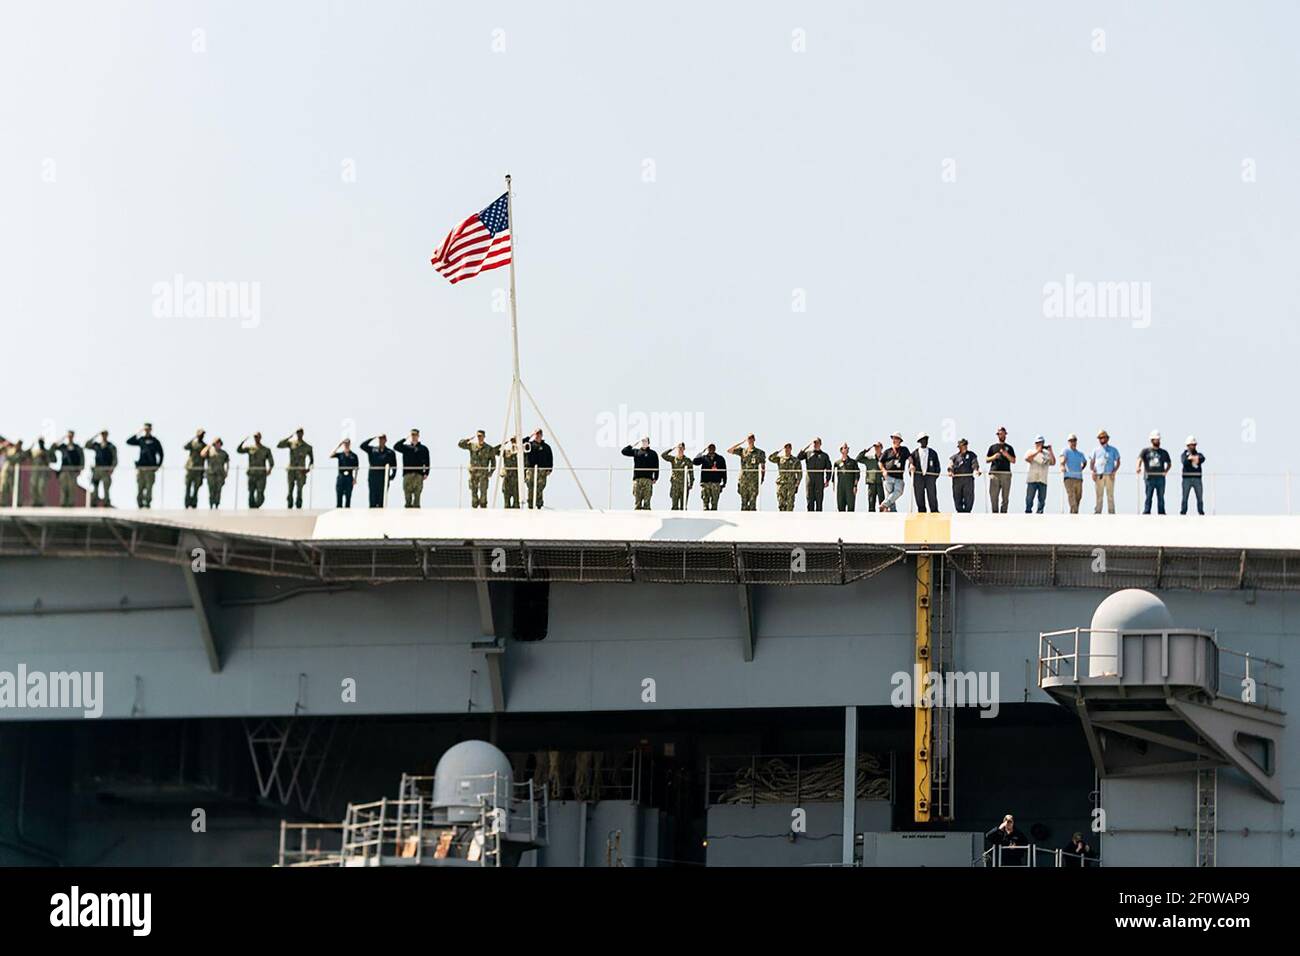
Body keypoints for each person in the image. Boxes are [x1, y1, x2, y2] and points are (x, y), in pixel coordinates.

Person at [457, 431, 499, 509]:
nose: (479, 437)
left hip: (483, 474)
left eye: (481, 436)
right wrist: (468, 439)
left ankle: (483, 508)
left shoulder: (489, 448)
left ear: (484, 436)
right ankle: (474, 508)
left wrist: (491, 472)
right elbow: (460, 445)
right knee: (474, 492)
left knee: (483, 493)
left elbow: (493, 462)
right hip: (473, 473)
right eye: (478, 436)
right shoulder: (472, 446)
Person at [126, 423, 164, 509]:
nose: (147, 431)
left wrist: (158, 465)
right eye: (145, 429)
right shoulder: (141, 440)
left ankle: (147, 504)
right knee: (140, 487)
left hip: (150, 468)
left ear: (151, 429)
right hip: (141, 468)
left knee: (149, 487)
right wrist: (139, 432)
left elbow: (161, 453)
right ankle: (140, 503)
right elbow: (129, 442)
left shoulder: (155, 441)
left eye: (148, 429)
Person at [393, 429, 431, 508]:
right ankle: (407, 514)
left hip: (418, 475)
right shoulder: (405, 447)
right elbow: (396, 446)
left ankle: (416, 514)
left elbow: (427, 461)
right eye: (412, 435)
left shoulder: (423, 448)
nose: (414, 436)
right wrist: (405, 439)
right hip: (407, 474)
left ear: (418, 436)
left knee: (417, 497)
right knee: (407, 496)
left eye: (415, 435)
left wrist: (426, 473)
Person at [277, 429, 314, 509]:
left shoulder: (307, 447)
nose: (299, 434)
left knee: (299, 489)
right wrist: (288, 437)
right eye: (298, 432)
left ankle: (299, 505)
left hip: (301, 471)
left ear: (303, 433)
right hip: (291, 469)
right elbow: (279, 445)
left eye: (300, 432)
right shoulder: (291, 443)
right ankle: (289, 505)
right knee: (290, 488)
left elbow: (312, 460)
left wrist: (308, 469)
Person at [727, 435, 766, 511]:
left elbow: (763, 466)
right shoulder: (742, 451)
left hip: (754, 480)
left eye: (751, 438)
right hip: (744, 479)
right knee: (744, 502)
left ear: (754, 439)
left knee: (753, 503)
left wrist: (762, 478)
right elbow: (729, 450)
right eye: (749, 438)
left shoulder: (760, 452)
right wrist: (741, 442)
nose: (750, 440)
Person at [1138, 430, 1172, 515]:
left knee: (1161, 496)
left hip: (1160, 477)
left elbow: (1169, 463)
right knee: (1148, 496)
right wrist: (1138, 467)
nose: (1157, 441)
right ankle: (1146, 511)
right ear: (1152, 440)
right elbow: (1139, 459)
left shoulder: (1164, 452)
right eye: (1156, 439)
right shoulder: (1145, 451)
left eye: (1158, 439)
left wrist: (1166, 471)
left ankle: (1161, 512)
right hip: (1149, 478)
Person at [621, 437, 660, 510]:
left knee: (647, 502)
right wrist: (632, 445)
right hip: (637, 479)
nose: (644, 442)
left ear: (648, 443)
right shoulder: (636, 451)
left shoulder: (653, 453)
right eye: (642, 441)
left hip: (648, 480)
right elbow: (624, 451)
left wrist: (656, 477)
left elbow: (656, 466)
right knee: (637, 502)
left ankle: (647, 518)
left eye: (645, 441)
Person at [237, 433, 275, 509]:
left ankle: (257, 505)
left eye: (257, 437)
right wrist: (243, 442)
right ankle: (251, 507)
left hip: (261, 474)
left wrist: (269, 470)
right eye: (255, 437)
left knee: (260, 492)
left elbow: (271, 462)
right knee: (251, 491)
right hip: (252, 474)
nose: (256, 438)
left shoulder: (266, 450)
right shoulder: (250, 448)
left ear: (260, 438)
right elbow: (239, 450)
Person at [360, 434, 397, 508]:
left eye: (383, 439)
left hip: (383, 479)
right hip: (373, 478)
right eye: (380, 439)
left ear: (386, 440)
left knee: (382, 500)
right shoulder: (372, 450)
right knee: (373, 500)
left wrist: (392, 476)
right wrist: (373, 437)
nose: (381, 441)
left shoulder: (390, 452)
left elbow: (394, 466)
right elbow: (362, 446)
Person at [83, 430, 118, 508]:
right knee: (95, 487)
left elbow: (115, 459)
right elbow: (86, 445)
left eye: (105, 434)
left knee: (106, 488)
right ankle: (94, 502)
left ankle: (106, 503)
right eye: (102, 434)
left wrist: (111, 469)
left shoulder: (111, 446)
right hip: (97, 469)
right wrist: (96, 435)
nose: (103, 436)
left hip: (106, 469)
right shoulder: (97, 445)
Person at [51, 431, 86, 508]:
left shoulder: (77, 447)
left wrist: (80, 469)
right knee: (63, 487)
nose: (70, 437)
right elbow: (53, 447)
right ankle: (63, 503)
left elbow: (82, 458)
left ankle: (70, 503)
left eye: (71, 435)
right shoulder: (63, 446)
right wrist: (63, 438)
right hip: (64, 470)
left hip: (73, 471)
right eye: (69, 436)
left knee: (71, 488)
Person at [1090, 429, 1121, 514]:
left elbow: (1118, 461)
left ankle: (1111, 512)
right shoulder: (1095, 450)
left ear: (1107, 438)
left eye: (1103, 437)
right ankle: (1097, 512)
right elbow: (1092, 462)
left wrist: (1114, 471)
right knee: (1099, 496)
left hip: (1109, 475)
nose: (1102, 439)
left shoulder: (1113, 449)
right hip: (1099, 475)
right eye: (1100, 438)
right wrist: (1093, 472)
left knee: (1110, 495)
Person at [986, 427, 1016, 513]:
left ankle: (1004, 514)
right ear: (997, 435)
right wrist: (994, 456)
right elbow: (987, 459)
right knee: (993, 496)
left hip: (1006, 474)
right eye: (1000, 433)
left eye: (1003, 433)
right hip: (994, 474)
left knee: (1005, 497)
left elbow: (1013, 460)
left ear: (1005, 435)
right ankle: (995, 514)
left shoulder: (1009, 448)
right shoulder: (992, 447)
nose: (1001, 435)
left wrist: (1006, 455)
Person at [1023, 435, 1056, 514]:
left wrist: (1051, 451)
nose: (1040, 444)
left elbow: (1053, 462)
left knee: (1042, 499)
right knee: (1029, 498)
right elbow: (1027, 458)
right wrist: (1037, 451)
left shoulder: (1047, 454)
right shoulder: (1031, 451)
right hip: (1032, 479)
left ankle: (1040, 512)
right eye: (1038, 443)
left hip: (1043, 479)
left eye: (1041, 443)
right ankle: (1028, 512)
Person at [797, 439, 832, 512]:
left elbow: (829, 468)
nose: (815, 444)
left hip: (819, 479)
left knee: (819, 500)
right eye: (814, 443)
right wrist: (806, 447)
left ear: (820, 444)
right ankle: (810, 518)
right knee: (810, 499)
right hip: (809, 478)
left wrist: (827, 479)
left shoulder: (824, 455)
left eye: (817, 443)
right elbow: (798, 458)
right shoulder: (808, 453)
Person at [910, 432, 941, 513]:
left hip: (930, 478)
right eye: (923, 439)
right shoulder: (914, 453)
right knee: (919, 496)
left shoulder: (933, 453)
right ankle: (921, 512)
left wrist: (934, 477)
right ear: (919, 441)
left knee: (932, 496)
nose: (925, 441)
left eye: (926, 439)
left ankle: (934, 511)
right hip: (918, 478)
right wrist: (914, 476)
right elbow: (910, 466)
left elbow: (937, 466)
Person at [879, 432, 910, 512]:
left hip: (899, 477)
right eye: (893, 438)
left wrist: (912, 465)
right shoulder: (887, 451)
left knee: (899, 491)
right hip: (888, 476)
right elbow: (880, 462)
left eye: (896, 438)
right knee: (890, 495)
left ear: (900, 440)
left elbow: (910, 459)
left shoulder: (904, 450)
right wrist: (884, 471)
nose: (894, 440)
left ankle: (884, 504)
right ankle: (893, 511)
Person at [768, 443, 803, 512]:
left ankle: (789, 520)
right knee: (781, 503)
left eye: (789, 448)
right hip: (781, 483)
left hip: (791, 484)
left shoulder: (795, 460)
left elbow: (799, 473)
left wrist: (797, 483)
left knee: (790, 503)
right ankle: (781, 519)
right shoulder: (780, 459)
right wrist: (779, 451)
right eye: (786, 448)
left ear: (791, 449)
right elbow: (770, 458)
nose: (787, 449)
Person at [948, 439, 980, 513]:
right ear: (959, 447)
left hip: (968, 480)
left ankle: (967, 512)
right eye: (963, 445)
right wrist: (950, 471)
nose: (965, 447)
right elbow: (950, 465)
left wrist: (976, 470)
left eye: (965, 445)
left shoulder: (972, 455)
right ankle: (959, 512)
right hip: (957, 480)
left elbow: (975, 464)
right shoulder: (954, 457)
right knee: (957, 497)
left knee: (969, 498)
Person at [523, 429, 553, 508]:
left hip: (542, 470)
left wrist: (550, 469)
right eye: (536, 434)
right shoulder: (529, 445)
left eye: (539, 434)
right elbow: (521, 442)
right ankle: (530, 504)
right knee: (530, 487)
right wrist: (530, 436)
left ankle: (539, 504)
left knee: (540, 487)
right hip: (530, 469)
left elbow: (550, 458)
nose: (538, 435)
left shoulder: (546, 447)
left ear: (542, 435)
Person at [661, 442, 695, 511]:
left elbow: (691, 473)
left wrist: (691, 484)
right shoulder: (673, 459)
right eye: (679, 448)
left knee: (683, 506)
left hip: (684, 485)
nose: (680, 450)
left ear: (684, 449)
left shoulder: (687, 460)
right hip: (675, 485)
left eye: (682, 448)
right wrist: (672, 448)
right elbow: (663, 455)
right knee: (674, 506)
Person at [692, 444, 727, 511]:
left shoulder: (720, 458)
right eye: (709, 448)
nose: (711, 449)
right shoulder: (704, 457)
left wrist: (724, 483)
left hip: (716, 483)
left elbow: (724, 471)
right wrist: (701, 452)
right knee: (705, 502)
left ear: (715, 449)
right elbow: (695, 462)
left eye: (712, 448)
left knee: (714, 503)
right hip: (705, 483)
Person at [1059, 433, 1087, 514]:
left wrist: (1081, 469)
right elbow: (1062, 459)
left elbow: (1085, 462)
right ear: (1068, 442)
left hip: (1079, 478)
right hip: (1069, 478)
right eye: (1071, 441)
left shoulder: (1080, 453)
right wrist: (1062, 465)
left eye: (1074, 440)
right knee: (1072, 497)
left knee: (1079, 497)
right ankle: (1074, 514)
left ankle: (1073, 513)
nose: (1073, 442)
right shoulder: (1066, 450)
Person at [182, 429, 208, 509]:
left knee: (196, 488)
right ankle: (187, 503)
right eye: (200, 434)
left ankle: (194, 503)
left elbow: (206, 456)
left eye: (202, 435)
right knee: (188, 487)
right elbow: (185, 447)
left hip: (199, 469)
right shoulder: (193, 443)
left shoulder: (204, 446)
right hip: (190, 468)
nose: (201, 436)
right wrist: (193, 438)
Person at [856, 441, 885, 512]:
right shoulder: (870, 458)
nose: (877, 449)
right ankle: (871, 519)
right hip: (871, 483)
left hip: (881, 483)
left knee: (882, 503)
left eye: (878, 447)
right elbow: (858, 459)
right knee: (871, 503)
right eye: (875, 447)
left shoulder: (885, 458)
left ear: (881, 448)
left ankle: (883, 519)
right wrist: (865, 451)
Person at [1181, 436, 1206, 516]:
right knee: (1185, 497)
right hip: (1186, 479)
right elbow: (1184, 462)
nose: (1192, 446)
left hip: (1197, 478)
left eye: (1194, 445)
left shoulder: (1199, 454)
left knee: (1199, 497)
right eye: (1191, 445)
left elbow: (1202, 459)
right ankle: (1183, 512)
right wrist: (1191, 459)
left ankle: (1201, 512)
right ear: (1187, 445)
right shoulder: (1184, 454)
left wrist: (1193, 458)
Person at [331, 438, 360, 508]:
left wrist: (355, 479)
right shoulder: (340, 454)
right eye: (345, 444)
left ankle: (347, 514)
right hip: (341, 477)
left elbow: (356, 468)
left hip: (349, 477)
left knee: (348, 497)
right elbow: (331, 455)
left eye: (348, 443)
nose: (346, 445)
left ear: (350, 444)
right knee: (339, 497)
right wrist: (339, 445)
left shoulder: (354, 455)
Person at [832, 443, 860, 512]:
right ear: (841, 450)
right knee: (840, 506)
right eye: (845, 448)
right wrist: (834, 487)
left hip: (850, 487)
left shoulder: (853, 462)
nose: (846, 449)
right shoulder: (837, 463)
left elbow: (857, 474)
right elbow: (833, 476)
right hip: (840, 487)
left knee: (851, 506)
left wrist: (855, 486)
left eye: (847, 448)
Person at [203, 438, 230, 508]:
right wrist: (208, 446)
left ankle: (217, 504)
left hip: (220, 474)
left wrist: (226, 472)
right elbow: (202, 454)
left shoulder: (224, 453)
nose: (218, 445)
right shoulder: (210, 451)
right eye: (216, 443)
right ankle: (211, 504)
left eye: (219, 443)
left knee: (218, 490)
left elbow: (227, 462)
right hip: (211, 474)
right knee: (211, 490)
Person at [26, 438, 51, 506]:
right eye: (39, 442)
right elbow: (27, 455)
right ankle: (34, 501)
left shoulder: (46, 452)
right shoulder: (35, 452)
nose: (41, 444)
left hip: (43, 472)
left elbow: (51, 460)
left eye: (42, 442)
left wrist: (44, 455)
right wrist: (31, 446)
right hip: (35, 472)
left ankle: (41, 502)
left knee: (41, 487)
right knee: (33, 487)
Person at [0, 438, 25, 507]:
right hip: (5, 473)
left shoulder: (18, 453)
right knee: (4, 487)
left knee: (15, 488)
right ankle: (2, 502)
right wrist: (4, 445)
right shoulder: (8, 450)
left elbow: (17, 458)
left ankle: (18, 502)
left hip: (13, 473)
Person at [500, 437, 522, 509]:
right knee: (506, 504)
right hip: (507, 480)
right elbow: (494, 451)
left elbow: (526, 463)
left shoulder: (521, 452)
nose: (513, 442)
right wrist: (503, 444)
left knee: (516, 504)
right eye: (512, 440)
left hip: (517, 481)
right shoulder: (506, 451)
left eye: (515, 440)